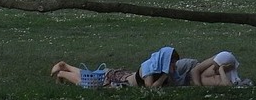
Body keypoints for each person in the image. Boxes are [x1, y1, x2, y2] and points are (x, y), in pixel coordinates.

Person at [51, 46, 181, 88]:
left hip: (122, 76)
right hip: (118, 80)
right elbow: (150, 88)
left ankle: (65, 66)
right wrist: (165, 75)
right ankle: (62, 73)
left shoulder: (159, 68)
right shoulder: (149, 67)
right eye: (172, 63)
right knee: (90, 83)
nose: (173, 66)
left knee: (91, 75)